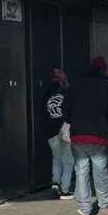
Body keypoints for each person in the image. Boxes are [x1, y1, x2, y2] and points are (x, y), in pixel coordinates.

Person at [64, 56, 108, 215]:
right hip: (98, 135)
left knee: (81, 171)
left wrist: (73, 121)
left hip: (78, 135)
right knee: (100, 171)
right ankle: (104, 203)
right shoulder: (106, 86)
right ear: (104, 70)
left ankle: (84, 209)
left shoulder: (75, 85)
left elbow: (66, 111)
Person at [41, 68, 74, 199]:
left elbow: (43, 115)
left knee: (56, 158)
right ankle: (65, 190)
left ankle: (55, 182)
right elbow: (70, 113)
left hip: (50, 133)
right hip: (63, 131)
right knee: (68, 161)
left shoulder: (45, 98)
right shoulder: (65, 96)